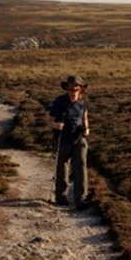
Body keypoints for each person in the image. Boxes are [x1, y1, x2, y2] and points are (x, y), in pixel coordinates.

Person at [48, 75, 91, 209]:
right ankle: (61, 196)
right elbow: (49, 120)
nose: (73, 90)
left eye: (76, 88)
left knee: (81, 166)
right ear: (67, 88)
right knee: (62, 167)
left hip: (79, 138)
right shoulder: (60, 102)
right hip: (63, 138)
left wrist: (87, 129)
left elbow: (84, 117)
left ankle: (81, 199)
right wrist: (56, 126)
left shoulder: (83, 102)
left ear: (80, 89)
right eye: (71, 88)